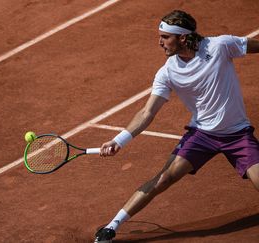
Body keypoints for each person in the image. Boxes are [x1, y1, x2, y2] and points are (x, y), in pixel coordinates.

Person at [94, 10, 259, 243]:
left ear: (182, 38)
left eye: (165, 37)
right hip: (202, 135)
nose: (159, 42)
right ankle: (111, 227)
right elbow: (147, 112)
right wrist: (119, 140)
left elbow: (254, 45)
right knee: (163, 178)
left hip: (237, 134)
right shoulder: (167, 72)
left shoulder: (220, 46)